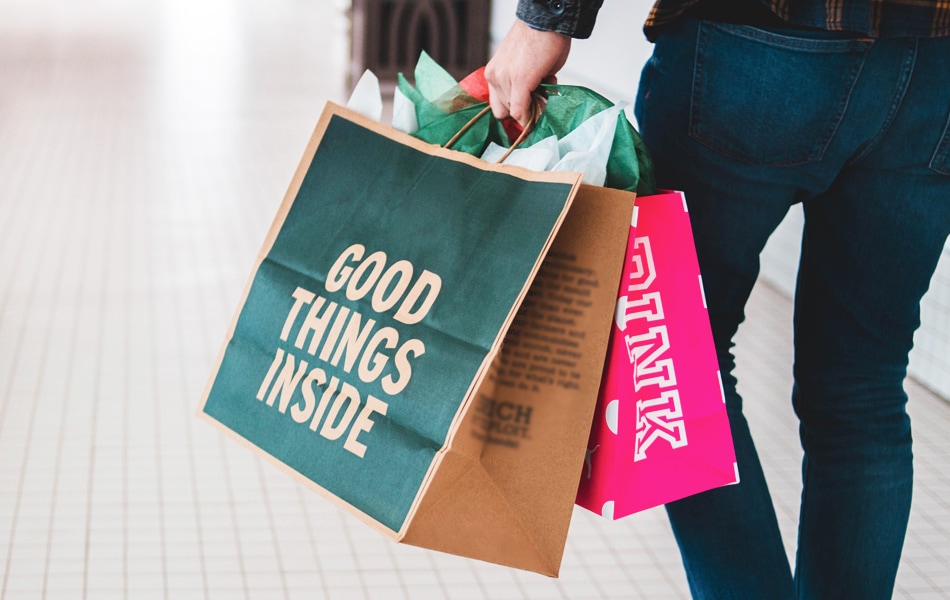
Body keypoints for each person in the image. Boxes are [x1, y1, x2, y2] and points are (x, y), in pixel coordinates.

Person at [486, 1, 950, 598]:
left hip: (755, 41)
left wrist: (545, 18)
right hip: (936, 61)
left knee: (678, 359)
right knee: (863, 386)